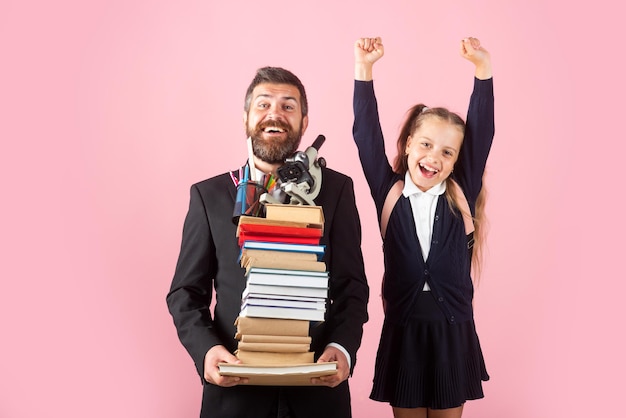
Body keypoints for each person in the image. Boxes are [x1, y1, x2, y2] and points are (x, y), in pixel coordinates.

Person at [167, 66, 369, 418]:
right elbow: (185, 293)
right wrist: (208, 351)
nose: (275, 113)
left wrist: (342, 347)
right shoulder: (209, 195)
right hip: (234, 394)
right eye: (263, 104)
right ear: (246, 118)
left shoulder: (337, 191)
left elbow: (352, 286)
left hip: (317, 393)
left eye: (288, 106)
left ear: (305, 123)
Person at [352, 37, 494, 418]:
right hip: (406, 330)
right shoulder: (390, 193)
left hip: (453, 331)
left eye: (447, 152)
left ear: (456, 163)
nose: (434, 157)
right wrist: (364, 71)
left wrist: (483, 71)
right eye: (427, 145)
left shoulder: (461, 193)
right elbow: (366, 138)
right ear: (410, 143)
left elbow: (482, 133)